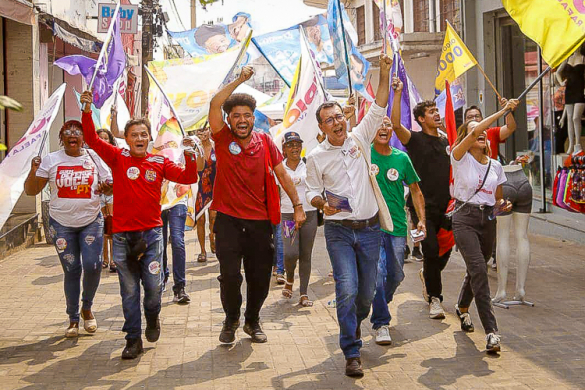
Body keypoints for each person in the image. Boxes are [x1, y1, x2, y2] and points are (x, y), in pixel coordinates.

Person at [79, 91, 199, 359]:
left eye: (144, 134)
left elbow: (189, 177)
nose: (139, 139)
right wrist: (86, 110)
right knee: (129, 290)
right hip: (122, 236)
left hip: (152, 235)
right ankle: (133, 339)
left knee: (153, 289)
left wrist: (190, 153)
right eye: (134, 135)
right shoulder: (118, 158)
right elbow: (91, 139)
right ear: (126, 138)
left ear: (150, 138)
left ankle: (153, 316)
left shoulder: (159, 161)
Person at [305, 53, 392, 378]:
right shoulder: (315, 157)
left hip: (370, 231)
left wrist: (384, 72)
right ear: (322, 127)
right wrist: (321, 204)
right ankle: (351, 351)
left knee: (366, 293)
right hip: (339, 233)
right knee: (346, 288)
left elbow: (380, 105)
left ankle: (355, 322)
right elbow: (311, 190)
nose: (337, 123)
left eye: (339, 116)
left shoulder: (359, 138)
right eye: (330, 120)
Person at [208, 66, 306, 345]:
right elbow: (215, 103)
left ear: (254, 119)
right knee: (229, 277)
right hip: (228, 221)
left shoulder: (265, 142)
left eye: (247, 115)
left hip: (261, 223)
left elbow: (282, 173)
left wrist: (298, 205)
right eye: (236, 116)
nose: (242, 120)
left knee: (259, 278)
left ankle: (252, 320)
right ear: (228, 120)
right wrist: (240, 80)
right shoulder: (222, 137)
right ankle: (231, 319)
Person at [24, 120, 111, 338]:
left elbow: (111, 183)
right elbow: (32, 191)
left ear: (83, 138)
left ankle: (87, 308)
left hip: (91, 220)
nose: (73, 135)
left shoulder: (94, 158)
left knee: (92, 266)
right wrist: (34, 171)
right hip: (61, 225)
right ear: (61, 138)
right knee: (72, 270)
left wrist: (105, 187)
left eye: (77, 132)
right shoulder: (51, 160)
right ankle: (73, 319)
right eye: (68, 132)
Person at [450, 102, 515, 353]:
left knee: (477, 268)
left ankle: (462, 307)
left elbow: (496, 200)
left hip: (487, 220)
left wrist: (503, 205)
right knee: (479, 270)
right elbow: (477, 130)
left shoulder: (496, 166)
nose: (481, 133)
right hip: (464, 218)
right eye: (474, 130)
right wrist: (502, 111)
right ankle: (491, 331)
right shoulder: (459, 156)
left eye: (483, 131)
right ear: (467, 136)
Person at [391, 80, 452, 320]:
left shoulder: (448, 141)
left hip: (447, 207)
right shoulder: (414, 139)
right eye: (431, 112)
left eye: (437, 110)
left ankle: (429, 273)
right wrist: (397, 94)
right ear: (420, 119)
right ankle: (435, 299)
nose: (437, 114)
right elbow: (395, 124)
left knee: (444, 251)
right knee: (431, 249)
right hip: (422, 208)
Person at [369, 116, 426, 345]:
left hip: (397, 227)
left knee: (396, 274)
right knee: (379, 274)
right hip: (371, 226)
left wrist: (421, 219)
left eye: (387, 125)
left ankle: (380, 300)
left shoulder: (401, 158)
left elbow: (415, 190)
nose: (384, 128)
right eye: (379, 125)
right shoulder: (364, 154)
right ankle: (381, 322)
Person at [280, 132, 318, 307]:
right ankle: (289, 278)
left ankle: (303, 293)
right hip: (288, 215)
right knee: (290, 253)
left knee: (305, 254)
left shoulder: (308, 165)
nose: (294, 147)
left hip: (309, 214)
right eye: (290, 145)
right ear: (284, 149)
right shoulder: (279, 169)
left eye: (297, 144)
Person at [195, 125, 217, 263]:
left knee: (214, 218)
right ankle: (203, 251)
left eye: (205, 129)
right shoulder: (195, 148)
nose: (203, 133)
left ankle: (213, 237)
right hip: (199, 187)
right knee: (201, 220)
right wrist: (199, 148)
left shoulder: (217, 146)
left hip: (215, 186)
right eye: (199, 130)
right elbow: (198, 167)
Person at [96, 128, 117, 273]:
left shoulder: (114, 155)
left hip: (112, 193)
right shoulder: (90, 155)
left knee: (112, 227)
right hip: (97, 195)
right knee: (102, 228)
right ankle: (104, 259)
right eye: (100, 138)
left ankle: (114, 260)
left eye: (106, 138)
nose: (103, 141)